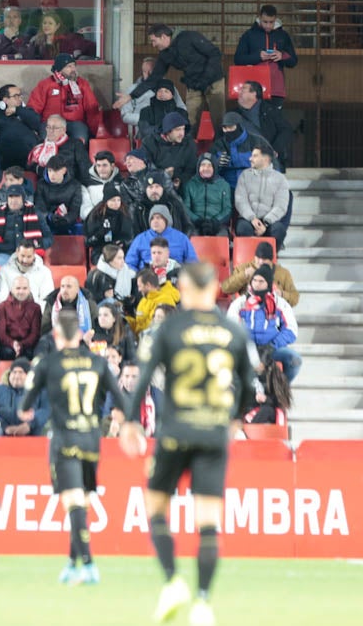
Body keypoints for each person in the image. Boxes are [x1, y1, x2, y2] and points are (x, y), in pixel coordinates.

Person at [121, 261, 257, 626]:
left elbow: (144, 376)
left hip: (176, 431)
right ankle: (203, 603)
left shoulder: (171, 328)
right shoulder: (232, 330)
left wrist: (131, 422)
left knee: (155, 506)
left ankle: (172, 582)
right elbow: (249, 387)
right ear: (215, 287)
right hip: (213, 433)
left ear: (183, 287)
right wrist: (234, 419)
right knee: (209, 522)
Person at [19, 310, 122, 585]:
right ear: (80, 333)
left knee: (73, 502)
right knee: (82, 505)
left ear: (55, 334)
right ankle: (71, 563)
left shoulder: (48, 363)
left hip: (65, 439)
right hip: (91, 439)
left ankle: (88, 564)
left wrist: (27, 411)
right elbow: (120, 399)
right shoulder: (98, 362)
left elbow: (26, 405)